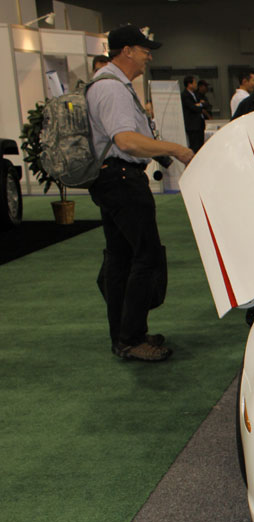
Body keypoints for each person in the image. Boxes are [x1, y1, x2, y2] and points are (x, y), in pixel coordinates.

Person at [87, 24, 194, 361]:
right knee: (145, 257)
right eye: (144, 49)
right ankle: (132, 338)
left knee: (120, 259)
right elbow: (126, 141)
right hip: (122, 180)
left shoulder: (106, 83)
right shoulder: (114, 89)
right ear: (126, 51)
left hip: (111, 179)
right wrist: (175, 148)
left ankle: (124, 335)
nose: (149, 55)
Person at [180, 75, 207, 152]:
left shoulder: (195, 94)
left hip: (199, 125)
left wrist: (200, 104)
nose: (196, 85)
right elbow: (193, 108)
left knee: (200, 147)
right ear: (189, 84)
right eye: (194, 83)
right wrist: (199, 105)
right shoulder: (185, 95)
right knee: (195, 147)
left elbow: (205, 104)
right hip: (192, 126)